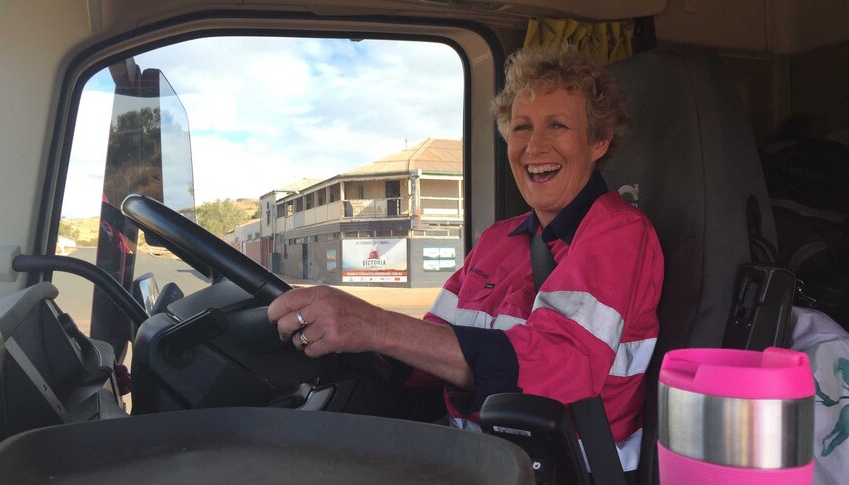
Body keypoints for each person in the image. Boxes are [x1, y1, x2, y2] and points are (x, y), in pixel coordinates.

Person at [268, 43, 663, 472]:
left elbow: (557, 369)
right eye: (521, 128)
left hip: (562, 470)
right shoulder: (499, 238)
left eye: (557, 125)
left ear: (598, 140)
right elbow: (434, 348)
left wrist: (377, 327)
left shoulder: (619, 231)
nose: (534, 146)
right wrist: (349, 337)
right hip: (475, 456)